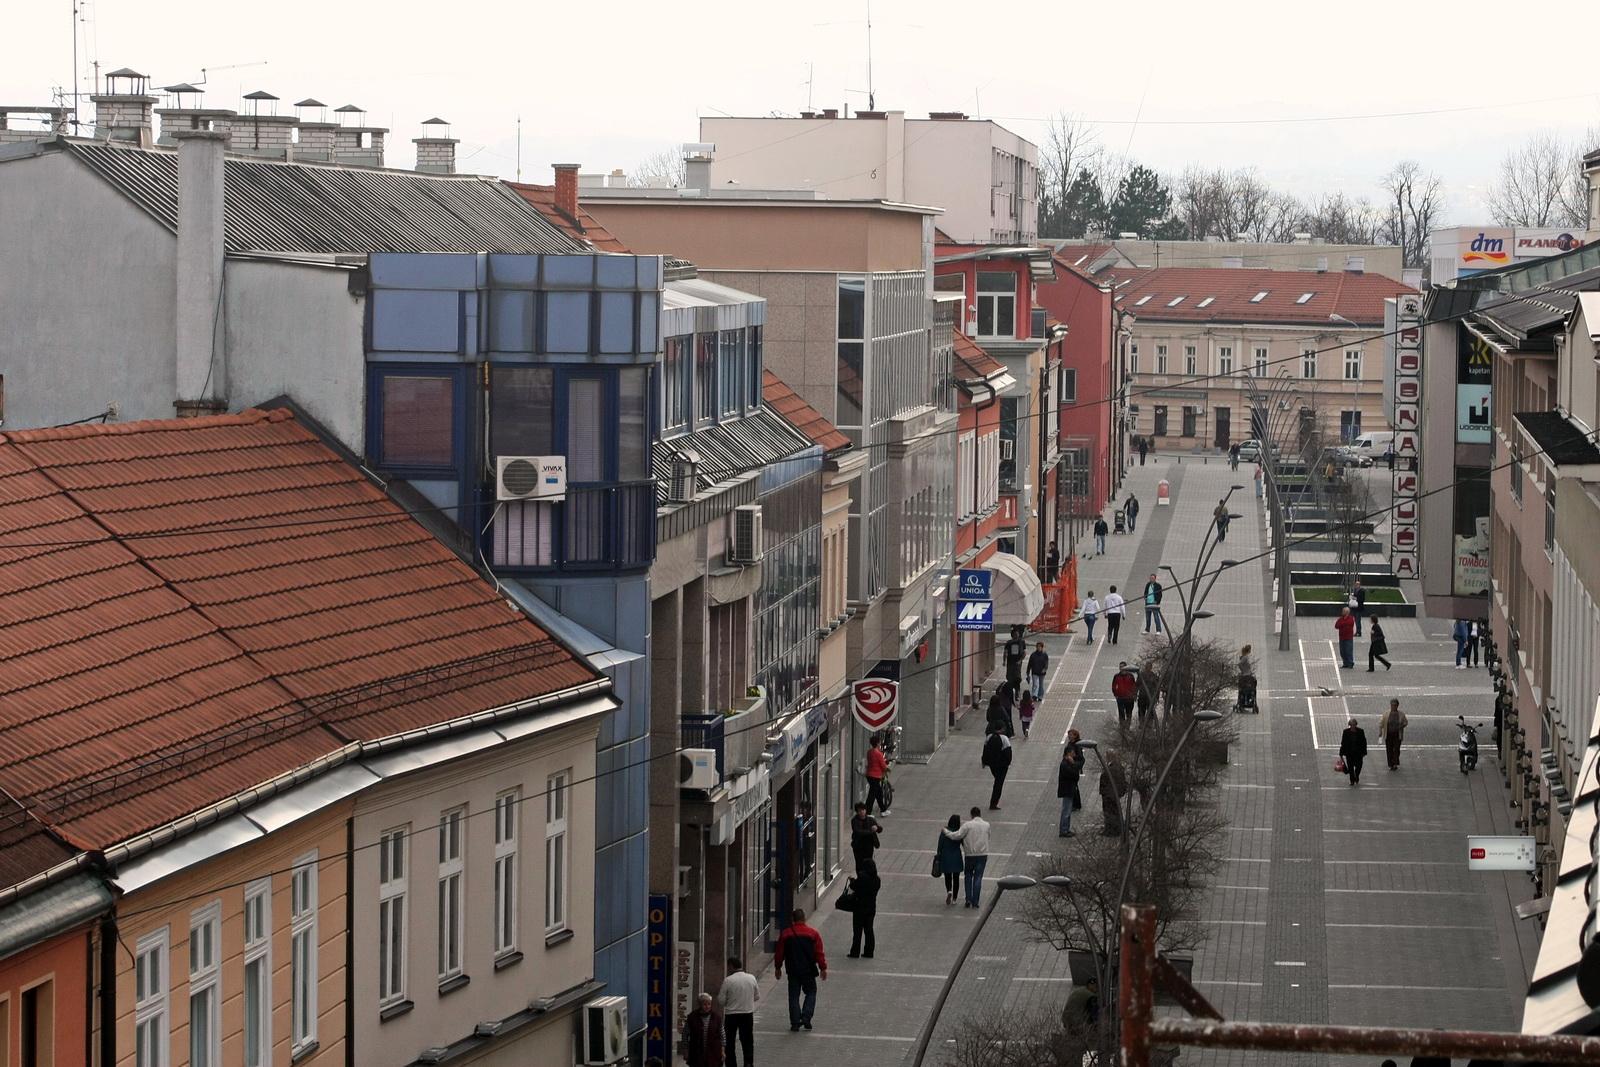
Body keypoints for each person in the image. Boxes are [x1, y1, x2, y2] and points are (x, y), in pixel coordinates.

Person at [773, 908, 827, 1031]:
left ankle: (795, 1022)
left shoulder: (786, 934)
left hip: (793, 970)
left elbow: (779, 953)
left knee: (793, 996)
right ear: (804, 918)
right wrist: (823, 968)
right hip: (808, 970)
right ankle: (806, 1016)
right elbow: (819, 953)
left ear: (793, 919)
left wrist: (778, 967)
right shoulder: (813, 934)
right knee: (811, 992)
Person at [717, 958, 759, 1067]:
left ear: (731, 966)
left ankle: (731, 1064)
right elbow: (757, 996)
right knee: (747, 1041)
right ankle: (748, 1063)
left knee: (729, 1042)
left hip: (731, 1015)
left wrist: (729, 1003)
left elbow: (721, 1000)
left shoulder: (728, 980)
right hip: (747, 1014)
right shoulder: (751, 978)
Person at [948, 807, 992, 907]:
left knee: (968, 876)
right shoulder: (987, 825)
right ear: (980, 814)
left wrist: (946, 832)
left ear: (971, 815)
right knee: (978, 877)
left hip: (970, 855)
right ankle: (975, 901)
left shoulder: (967, 825)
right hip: (982, 855)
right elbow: (988, 836)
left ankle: (968, 899)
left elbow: (957, 835)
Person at [846, 859, 880, 959]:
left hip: (859, 907)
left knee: (857, 931)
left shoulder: (862, 878)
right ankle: (869, 951)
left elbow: (854, 887)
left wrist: (852, 881)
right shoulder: (877, 880)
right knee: (869, 930)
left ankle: (855, 952)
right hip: (871, 908)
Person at [683, 992, 725, 1067]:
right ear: (700, 1005)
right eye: (704, 1004)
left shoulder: (716, 1018)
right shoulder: (692, 1017)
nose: (707, 1006)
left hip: (714, 1053)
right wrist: (686, 1050)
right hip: (696, 1053)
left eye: (709, 1004)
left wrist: (722, 1051)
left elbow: (722, 1035)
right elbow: (685, 1035)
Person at [981, 724, 1013, 809]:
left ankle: (994, 802)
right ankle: (994, 803)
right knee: (999, 783)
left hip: (992, 765)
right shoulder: (1004, 739)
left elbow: (985, 750)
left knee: (997, 780)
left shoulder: (989, 737)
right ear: (1002, 729)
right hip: (1002, 765)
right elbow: (1008, 753)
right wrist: (1008, 763)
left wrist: (984, 761)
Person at [936, 815, 965, 905]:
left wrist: (938, 854)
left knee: (947, 876)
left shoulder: (944, 831)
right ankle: (955, 899)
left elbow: (940, 844)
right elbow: (963, 843)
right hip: (956, 856)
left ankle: (949, 891)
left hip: (946, 856)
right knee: (956, 878)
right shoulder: (959, 832)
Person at [1099, 754, 1127, 836]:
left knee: (1109, 811)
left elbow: (1105, 778)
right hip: (1114, 793)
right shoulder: (1118, 766)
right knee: (1115, 810)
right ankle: (1117, 829)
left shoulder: (1111, 768)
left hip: (1109, 794)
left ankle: (1111, 830)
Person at [1058, 747, 1082, 837]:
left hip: (1068, 789)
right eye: (1073, 753)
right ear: (1068, 753)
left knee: (1067, 810)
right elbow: (1075, 775)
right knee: (1066, 810)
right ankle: (1064, 830)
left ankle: (1066, 829)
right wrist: (1074, 764)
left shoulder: (1066, 763)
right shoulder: (1065, 764)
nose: (1074, 754)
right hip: (1067, 790)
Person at [1379, 698, 1408, 770]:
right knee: (1389, 749)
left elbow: (1405, 722)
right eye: (1392, 705)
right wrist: (1380, 731)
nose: (1394, 706)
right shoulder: (1386, 714)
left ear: (1397, 706)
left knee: (1396, 749)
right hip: (1388, 734)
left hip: (1397, 734)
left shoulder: (1401, 714)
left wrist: (1401, 726)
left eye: (1395, 705)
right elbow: (1381, 723)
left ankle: (1395, 763)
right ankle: (1390, 764)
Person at [864, 736, 890, 816]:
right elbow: (883, 765)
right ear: (878, 743)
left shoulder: (869, 752)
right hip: (876, 776)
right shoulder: (878, 753)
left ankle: (883, 810)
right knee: (872, 795)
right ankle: (867, 812)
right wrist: (887, 769)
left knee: (879, 793)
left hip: (869, 775)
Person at [849, 802, 881, 867]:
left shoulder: (870, 819)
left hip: (869, 846)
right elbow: (857, 831)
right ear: (857, 812)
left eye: (863, 810)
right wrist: (871, 831)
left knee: (868, 863)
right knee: (859, 863)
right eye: (860, 811)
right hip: (858, 846)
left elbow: (880, 829)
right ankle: (860, 876)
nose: (862, 812)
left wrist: (877, 828)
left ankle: (868, 876)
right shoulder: (854, 820)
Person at [1339, 717, 1368, 785]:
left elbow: (1364, 742)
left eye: (1354, 725)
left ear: (1356, 725)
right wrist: (1341, 752)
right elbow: (1343, 743)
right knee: (1350, 767)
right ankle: (1352, 780)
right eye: (1351, 725)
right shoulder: (1346, 732)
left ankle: (1356, 775)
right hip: (1349, 753)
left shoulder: (1361, 731)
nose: (1353, 726)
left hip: (1358, 753)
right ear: (1349, 725)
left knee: (1359, 766)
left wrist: (1364, 752)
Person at [1066, 728, 1086, 811]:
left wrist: (1072, 757)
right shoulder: (1071, 743)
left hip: (1073, 768)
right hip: (1070, 766)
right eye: (1068, 735)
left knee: (1074, 786)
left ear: (1074, 736)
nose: (1069, 737)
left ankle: (1076, 804)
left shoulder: (1077, 745)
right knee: (1073, 786)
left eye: (1070, 735)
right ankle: (1076, 804)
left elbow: (1080, 757)